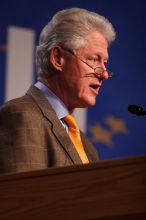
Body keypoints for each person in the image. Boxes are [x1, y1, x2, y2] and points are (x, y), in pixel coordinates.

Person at [0, 8, 116, 173]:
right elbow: (25, 197)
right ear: (58, 58)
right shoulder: (22, 116)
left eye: (105, 62)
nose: (104, 74)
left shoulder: (86, 145)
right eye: (94, 59)